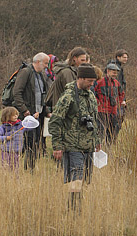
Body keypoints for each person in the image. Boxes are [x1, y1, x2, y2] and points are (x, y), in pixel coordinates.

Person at [48, 64, 101, 210]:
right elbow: (55, 121)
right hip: (72, 146)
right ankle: (73, 209)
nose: (92, 84)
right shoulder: (68, 96)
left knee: (85, 179)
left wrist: (96, 140)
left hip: (88, 145)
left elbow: (94, 119)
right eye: (89, 81)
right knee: (76, 178)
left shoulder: (90, 95)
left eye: (93, 81)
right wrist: (57, 146)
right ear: (80, 78)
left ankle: (79, 207)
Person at [12, 52, 50, 171]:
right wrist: (24, 110)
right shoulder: (26, 72)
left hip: (38, 115)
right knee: (29, 141)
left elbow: (43, 96)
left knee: (35, 141)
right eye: (45, 63)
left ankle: (30, 167)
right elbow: (17, 92)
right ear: (37, 62)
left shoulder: (41, 75)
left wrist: (47, 111)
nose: (46, 66)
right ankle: (24, 167)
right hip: (27, 115)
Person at [46, 47, 89, 116]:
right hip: (63, 111)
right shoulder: (67, 72)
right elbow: (73, 92)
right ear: (74, 58)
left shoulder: (73, 72)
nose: (84, 63)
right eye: (82, 60)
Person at [94, 63, 126, 145]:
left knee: (112, 133)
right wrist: (98, 103)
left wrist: (117, 103)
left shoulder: (117, 83)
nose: (115, 74)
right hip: (101, 112)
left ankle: (109, 150)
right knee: (100, 132)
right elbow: (92, 93)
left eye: (116, 72)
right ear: (108, 71)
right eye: (113, 72)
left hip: (113, 112)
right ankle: (99, 150)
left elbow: (121, 94)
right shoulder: (99, 82)